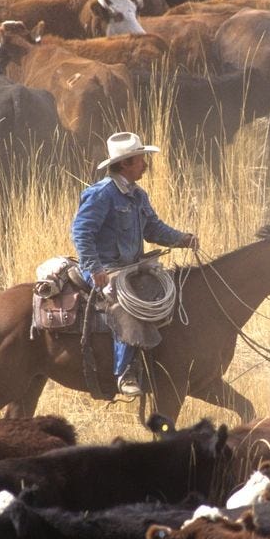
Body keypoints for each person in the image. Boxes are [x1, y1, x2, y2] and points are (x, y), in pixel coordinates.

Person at [71, 132, 198, 396]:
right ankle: (125, 370)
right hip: (105, 269)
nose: (145, 163)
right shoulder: (102, 194)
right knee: (127, 304)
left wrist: (182, 239)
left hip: (130, 268)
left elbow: (153, 229)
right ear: (126, 163)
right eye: (141, 159)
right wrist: (95, 269)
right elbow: (82, 233)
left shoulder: (138, 195)